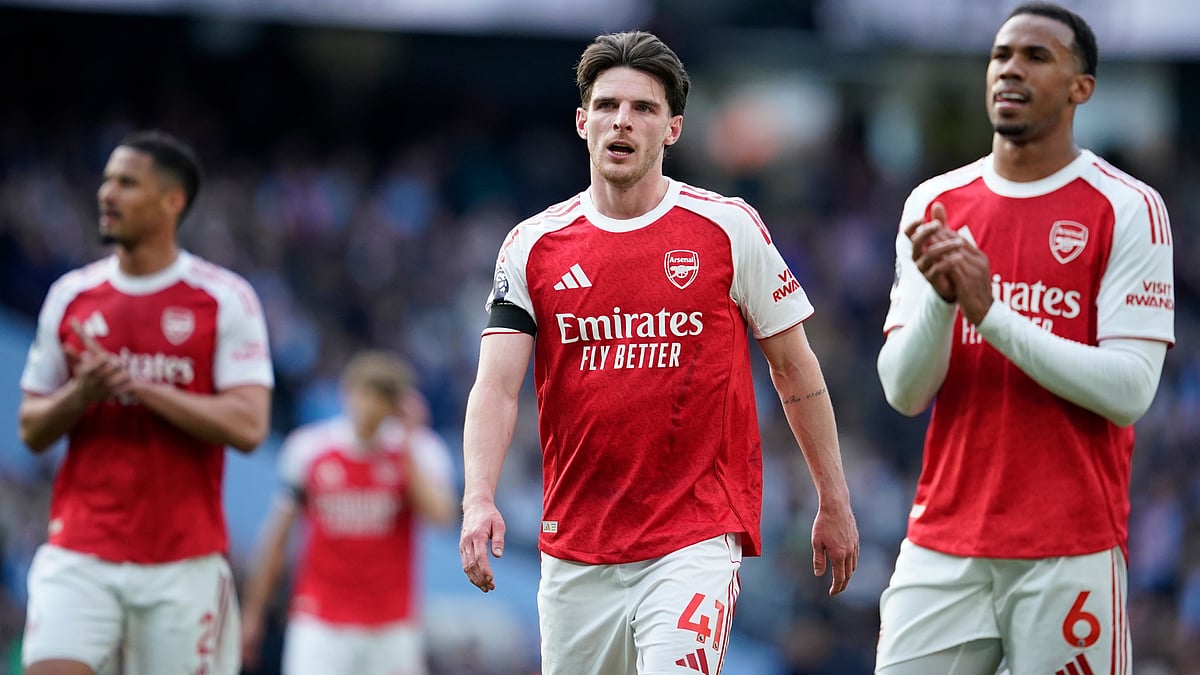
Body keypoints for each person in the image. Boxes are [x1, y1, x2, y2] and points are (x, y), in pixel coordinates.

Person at [458, 30, 859, 674]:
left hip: (693, 538)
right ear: (583, 122)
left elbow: (794, 368)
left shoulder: (727, 227)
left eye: (643, 108)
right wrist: (478, 497)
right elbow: (496, 386)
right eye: (608, 105)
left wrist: (833, 498)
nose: (623, 120)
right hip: (575, 547)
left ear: (672, 129)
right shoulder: (532, 245)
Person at [875, 4, 1175, 674]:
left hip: (1069, 547)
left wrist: (991, 314)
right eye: (1000, 55)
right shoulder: (935, 204)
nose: (1010, 68)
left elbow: (1130, 390)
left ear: (1080, 88)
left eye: (1037, 57)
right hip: (943, 542)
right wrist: (944, 303)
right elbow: (903, 390)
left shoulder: (1126, 206)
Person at [17, 130, 274, 675]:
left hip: (182, 561)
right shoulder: (72, 296)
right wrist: (81, 394)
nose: (107, 193)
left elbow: (250, 426)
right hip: (80, 549)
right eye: (107, 180)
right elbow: (31, 428)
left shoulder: (223, 298)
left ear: (171, 201)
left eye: (127, 183)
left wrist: (142, 388)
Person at [240, 350, 455, 675]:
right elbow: (277, 539)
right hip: (320, 621)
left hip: (390, 626)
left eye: (381, 397)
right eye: (364, 394)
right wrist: (253, 612)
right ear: (347, 393)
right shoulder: (309, 449)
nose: (370, 406)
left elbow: (441, 517)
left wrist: (409, 440)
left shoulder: (419, 451)